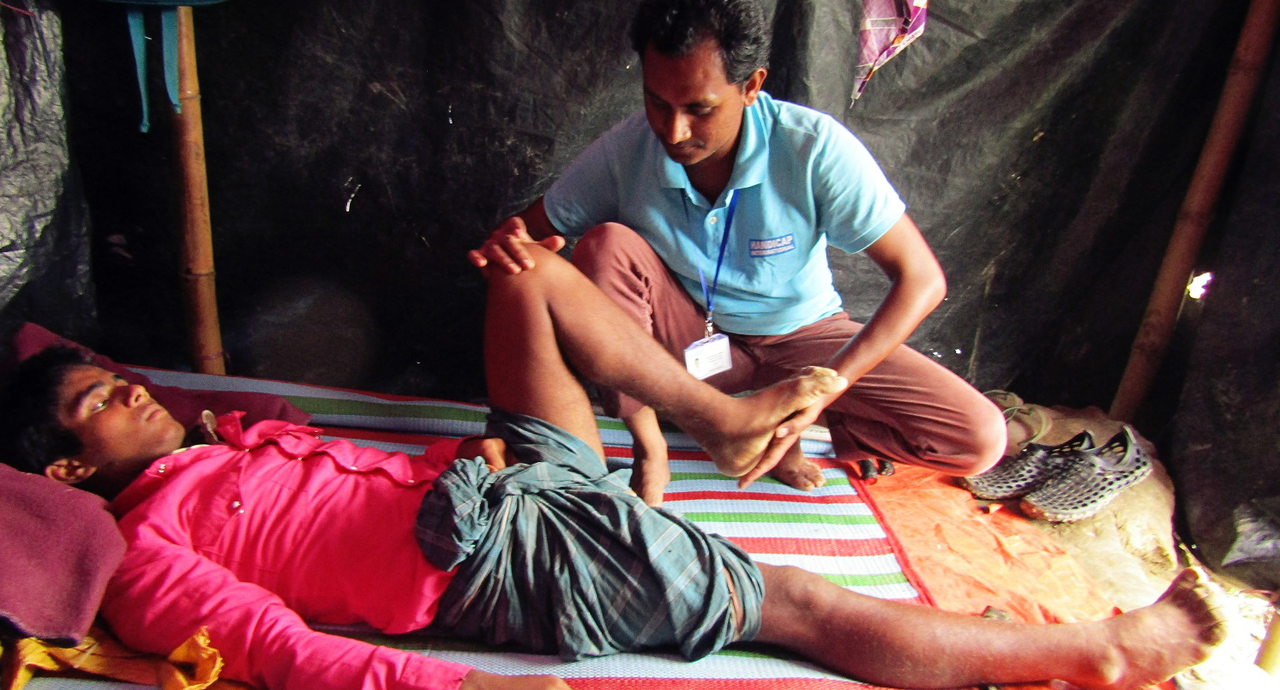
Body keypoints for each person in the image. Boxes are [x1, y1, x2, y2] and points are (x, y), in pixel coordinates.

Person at [1, 244, 1226, 690]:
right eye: (98, 400)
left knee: (528, 270)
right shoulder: (139, 558)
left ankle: (712, 420)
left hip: (507, 485)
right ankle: (1105, 652)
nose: (129, 387)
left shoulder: (228, 432)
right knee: (795, 605)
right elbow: (282, 652)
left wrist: (476, 455)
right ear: (61, 472)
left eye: (117, 372)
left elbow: (343, 480)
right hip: (509, 555)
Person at [469, 0, 1007, 506]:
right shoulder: (626, 149)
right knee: (606, 245)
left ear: (751, 86)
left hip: (803, 338)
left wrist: (828, 389)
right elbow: (529, 229)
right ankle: (653, 444)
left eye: (699, 108)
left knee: (978, 439)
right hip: (687, 340)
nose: (673, 131)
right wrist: (513, 246)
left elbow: (922, 280)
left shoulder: (812, 148)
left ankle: (785, 426)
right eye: (657, 102)